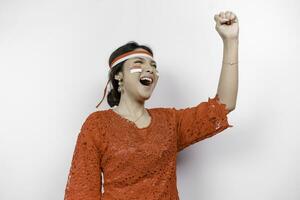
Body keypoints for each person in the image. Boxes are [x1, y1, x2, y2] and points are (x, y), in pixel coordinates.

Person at [64, 10, 239, 200]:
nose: (150, 69)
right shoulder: (97, 125)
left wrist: (230, 42)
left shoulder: (170, 121)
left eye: (154, 66)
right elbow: (81, 193)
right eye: (139, 63)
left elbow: (224, 105)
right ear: (118, 75)